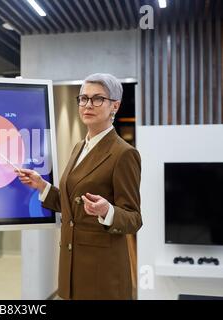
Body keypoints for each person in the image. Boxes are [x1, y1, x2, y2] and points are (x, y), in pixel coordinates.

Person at [16, 73, 142, 300]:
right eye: (83, 98)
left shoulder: (124, 154)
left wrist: (107, 211)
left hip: (102, 270)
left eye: (97, 99)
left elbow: (133, 218)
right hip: (72, 261)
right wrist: (42, 185)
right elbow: (72, 204)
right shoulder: (79, 147)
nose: (88, 105)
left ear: (115, 105)